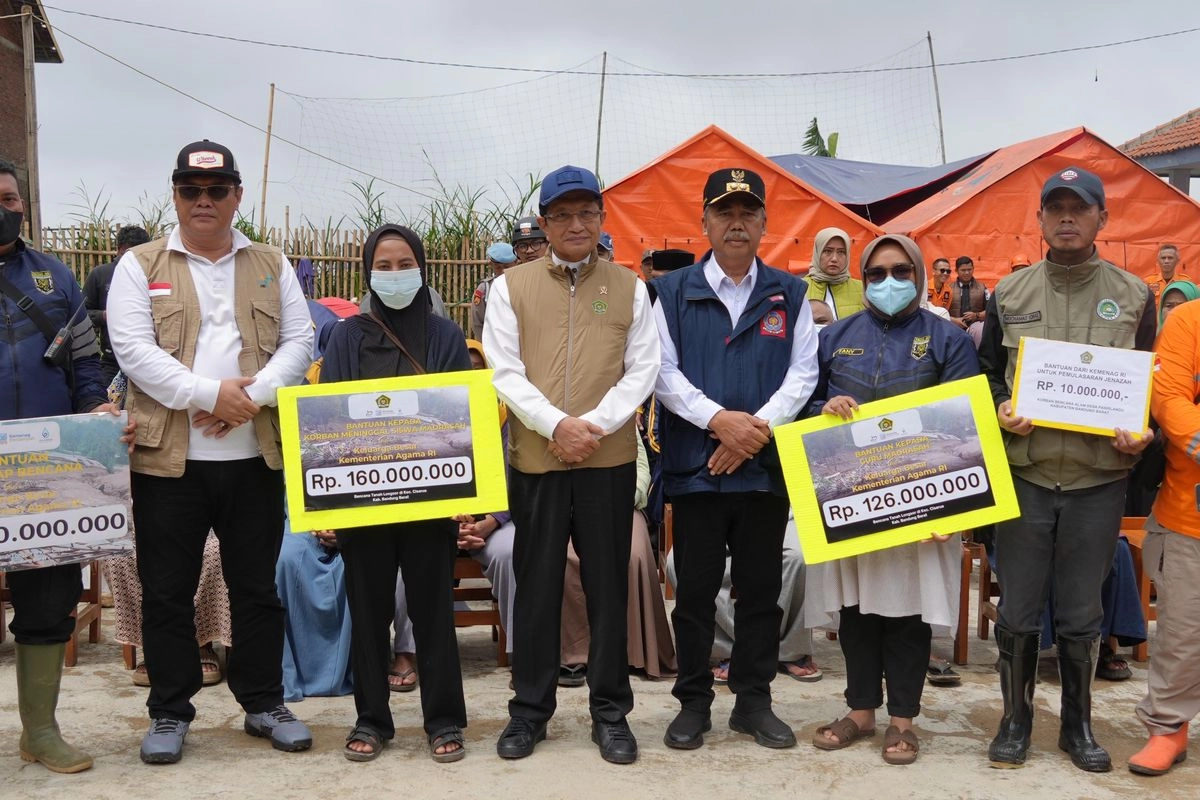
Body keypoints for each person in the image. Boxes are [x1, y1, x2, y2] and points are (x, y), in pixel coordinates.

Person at [107, 139, 315, 764]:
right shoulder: (139, 265)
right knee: (166, 592)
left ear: (236, 195)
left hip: (254, 458)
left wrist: (247, 400)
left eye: (217, 189)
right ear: (175, 195)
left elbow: (300, 342)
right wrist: (208, 395)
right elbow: (133, 351)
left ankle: (264, 702)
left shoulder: (271, 263)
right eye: (191, 190)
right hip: (168, 463)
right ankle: (170, 711)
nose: (204, 200)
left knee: (257, 589)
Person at [978, 165, 1155, 772]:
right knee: (1018, 607)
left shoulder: (1134, 295)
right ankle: (1015, 720)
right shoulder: (1010, 293)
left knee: (1083, 612)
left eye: (1080, 208)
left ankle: (1077, 726)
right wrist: (1001, 408)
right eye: (1056, 208)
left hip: (1097, 478)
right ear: (1040, 219)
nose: (1067, 218)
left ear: (1103, 218)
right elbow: (987, 374)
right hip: (1026, 474)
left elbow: (1151, 380)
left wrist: (1144, 430)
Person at [484, 164, 659, 764]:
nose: (576, 224)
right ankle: (529, 711)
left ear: (601, 218)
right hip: (537, 460)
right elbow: (504, 371)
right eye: (563, 215)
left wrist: (592, 428)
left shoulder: (631, 287)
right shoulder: (510, 288)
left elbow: (643, 369)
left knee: (608, 587)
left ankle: (610, 713)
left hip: (607, 460)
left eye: (587, 212)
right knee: (536, 587)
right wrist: (556, 426)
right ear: (545, 223)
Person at [653, 167, 818, 751]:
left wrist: (756, 429)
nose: (737, 223)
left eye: (749, 213)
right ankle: (693, 703)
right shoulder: (671, 292)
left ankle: (754, 701)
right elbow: (661, 371)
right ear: (704, 221)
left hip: (764, 471)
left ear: (765, 222)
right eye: (725, 212)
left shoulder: (790, 294)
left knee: (760, 592)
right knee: (695, 593)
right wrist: (719, 422)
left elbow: (804, 373)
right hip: (696, 470)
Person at [806, 233, 978, 766]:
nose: (889, 282)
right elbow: (805, 400)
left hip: (921, 499)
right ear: (863, 278)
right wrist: (823, 407)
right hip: (854, 498)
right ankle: (860, 711)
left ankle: (903, 720)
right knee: (856, 608)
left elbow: (967, 416)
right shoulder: (834, 337)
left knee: (909, 609)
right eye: (877, 273)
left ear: (919, 275)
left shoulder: (948, 339)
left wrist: (957, 507)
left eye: (901, 271)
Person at [318, 223, 471, 763]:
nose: (395, 273)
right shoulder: (346, 337)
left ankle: (444, 719)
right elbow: (329, 418)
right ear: (368, 273)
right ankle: (371, 719)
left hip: (429, 499)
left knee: (433, 613)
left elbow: (458, 416)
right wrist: (331, 503)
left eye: (404, 263)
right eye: (383, 266)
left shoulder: (445, 335)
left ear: (422, 268)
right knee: (368, 613)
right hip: (364, 499)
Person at [0, 157, 111, 774]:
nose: (4, 208)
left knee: (48, 599)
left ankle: (39, 732)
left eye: (9, 198)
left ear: (23, 205)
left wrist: (96, 412)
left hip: (48, 469)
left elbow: (86, 364)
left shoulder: (55, 277)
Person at [1127, 296, 1200, 775]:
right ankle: (1169, 727)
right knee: (1182, 632)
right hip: (1188, 516)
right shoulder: (1188, 321)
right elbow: (1169, 398)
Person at [560, 436, 677, 682]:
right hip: (563, 507)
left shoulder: (617, 416)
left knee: (633, 554)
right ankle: (573, 654)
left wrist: (625, 497)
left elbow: (641, 465)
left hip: (619, 504)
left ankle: (630, 653)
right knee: (565, 556)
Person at [664, 511, 822, 685]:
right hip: (710, 505)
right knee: (679, 563)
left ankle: (789, 650)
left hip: (778, 507)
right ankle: (730, 649)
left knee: (800, 557)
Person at [83, 225, 151, 386]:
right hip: (112, 361)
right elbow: (81, 315)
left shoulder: (154, 275)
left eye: (141, 254)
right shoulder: (100, 274)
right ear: (119, 249)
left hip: (148, 362)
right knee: (108, 401)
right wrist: (104, 316)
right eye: (130, 253)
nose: (135, 260)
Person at [805, 227, 864, 321]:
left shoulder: (862, 289)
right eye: (827, 251)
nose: (834, 259)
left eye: (841, 252)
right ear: (817, 252)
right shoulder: (800, 288)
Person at [470, 242, 517, 340]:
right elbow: (477, 322)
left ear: (516, 262)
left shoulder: (523, 285)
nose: (503, 271)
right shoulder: (484, 289)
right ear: (491, 264)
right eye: (498, 267)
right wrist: (486, 344)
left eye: (507, 267)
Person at [948, 256, 987, 334]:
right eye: (963, 270)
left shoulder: (982, 288)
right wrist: (954, 321)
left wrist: (976, 315)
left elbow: (990, 310)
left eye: (969, 269)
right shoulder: (948, 289)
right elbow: (941, 312)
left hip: (976, 330)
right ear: (956, 270)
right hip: (953, 329)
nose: (967, 273)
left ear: (973, 269)